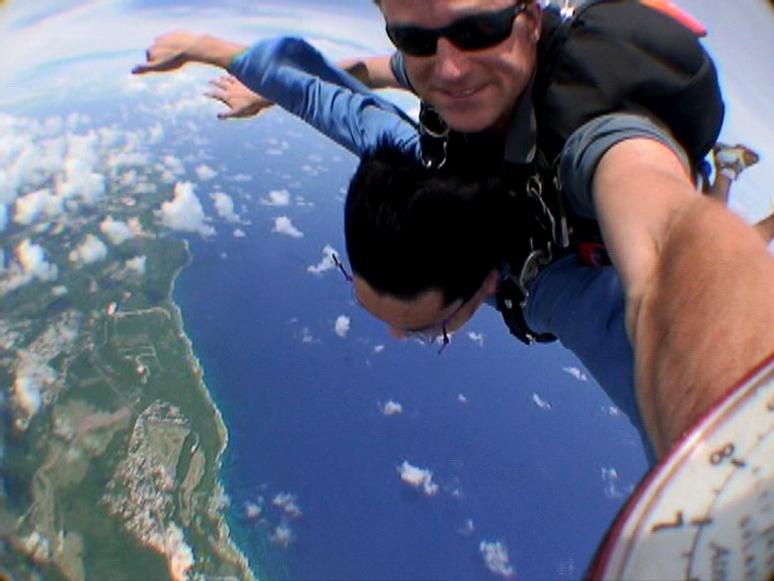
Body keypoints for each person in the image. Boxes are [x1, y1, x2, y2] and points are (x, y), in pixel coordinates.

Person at [134, 0, 774, 462]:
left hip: (618, 167)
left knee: (703, 222)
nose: (451, 69)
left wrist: (728, 457)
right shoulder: (418, 153)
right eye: (413, 37)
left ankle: (728, 192)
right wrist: (211, 51)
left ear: (486, 285)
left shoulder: (555, 281)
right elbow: (327, 94)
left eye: (478, 29)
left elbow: (661, 260)